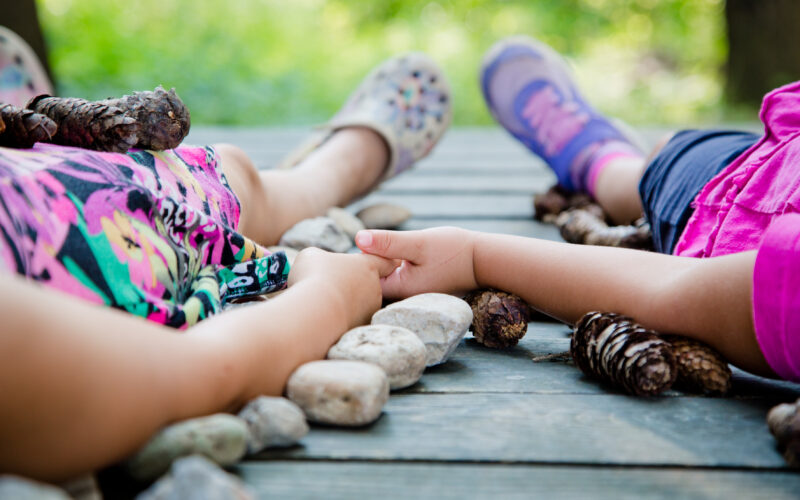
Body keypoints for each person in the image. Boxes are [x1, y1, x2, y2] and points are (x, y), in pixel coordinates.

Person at [0, 37, 452, 481]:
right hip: (79, 224)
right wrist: (328, 297)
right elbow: (196, 370)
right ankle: (327, 176)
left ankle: (26, 130)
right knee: (232, 185)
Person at [356, 36, 800, 387]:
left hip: (728, 207)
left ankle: (594, 158)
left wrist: (475, 257)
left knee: (661, 169)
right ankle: (604, 159)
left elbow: (676, 291)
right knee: (669, 153)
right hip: (777, 160)